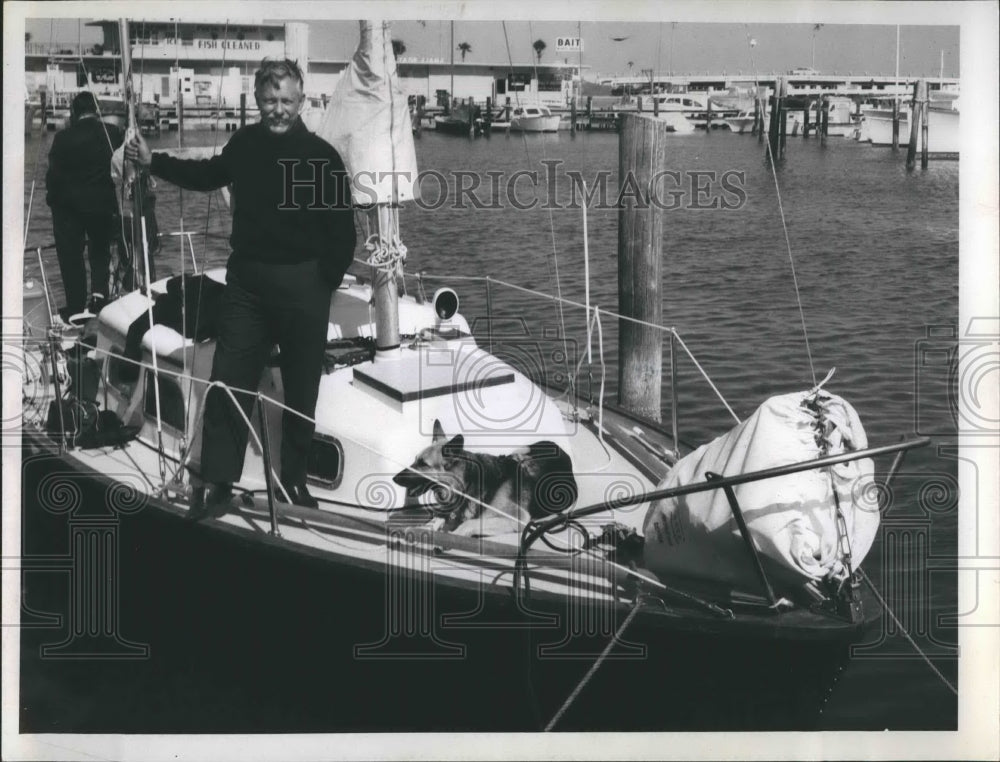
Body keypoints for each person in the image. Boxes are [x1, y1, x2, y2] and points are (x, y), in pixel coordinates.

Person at [125, 58, 356, 518]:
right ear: (257, 102)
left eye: (287, 101)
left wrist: (323, 281)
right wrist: (156, 163)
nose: (278, 110)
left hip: (303, 288)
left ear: (302, 101)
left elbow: (343, 232)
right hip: (247, 286)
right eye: (270, 101)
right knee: (228, 381)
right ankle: (218, 480)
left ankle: (293, 482)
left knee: (303, 389)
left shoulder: (322, 156)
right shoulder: (244, 144)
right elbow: (208, 175)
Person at [46, 91, 124, 321]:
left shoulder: (62, 138)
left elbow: (53, 178)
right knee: (100, 253)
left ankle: (76, 308)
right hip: (101, 206)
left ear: (74, 112)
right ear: (96, 109)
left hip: (69, 210)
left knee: (71, 257)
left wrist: (53, 201)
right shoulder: (112, 134)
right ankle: (99, 299)